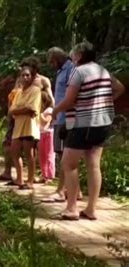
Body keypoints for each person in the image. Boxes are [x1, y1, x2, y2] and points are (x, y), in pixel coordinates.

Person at [52, 42, 125, 220]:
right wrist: (104, 101)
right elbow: (120, 88)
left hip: (84, 123)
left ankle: (72, 208)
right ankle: (91, 209)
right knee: (93, 164)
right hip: (104, 122)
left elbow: (69, 101)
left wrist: (54, 111)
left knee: (68, 164)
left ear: (79, 55)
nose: (72, 57)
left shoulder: (79, 72)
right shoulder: (102, 70)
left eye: (74, 54)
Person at [44, 47, 79, 202]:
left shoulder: (71, 70)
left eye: (52, 61)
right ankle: (75, 190)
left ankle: (61, 190)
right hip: (59, 117)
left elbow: (72, 95)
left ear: (57, 59)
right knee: (62, 154)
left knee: (65, 156)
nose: (51, 65)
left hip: (68, 118)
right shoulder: (61, 71)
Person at [8, 63, 42, 190]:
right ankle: (19, 178)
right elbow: (12, 110)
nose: (25, 77)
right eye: (23, 75)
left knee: (29, 153)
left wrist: (18, 110)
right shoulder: (18, 92)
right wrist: (22, 109)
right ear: (20, 77)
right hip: (18, 126)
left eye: (28, 75)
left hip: (30, 126)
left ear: (32, 77)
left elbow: (32, 108)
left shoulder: (36, 90)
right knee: (14, 151)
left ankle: (30, 181)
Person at [38, 91, 55, 183]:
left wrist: (40, 114)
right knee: (42, 156)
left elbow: (46, 121)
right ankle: (44, 175)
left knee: (49, 155)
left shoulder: (49, 110)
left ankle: (50, 176)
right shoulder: (42, 110)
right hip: (41, 133)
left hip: (48, 133)